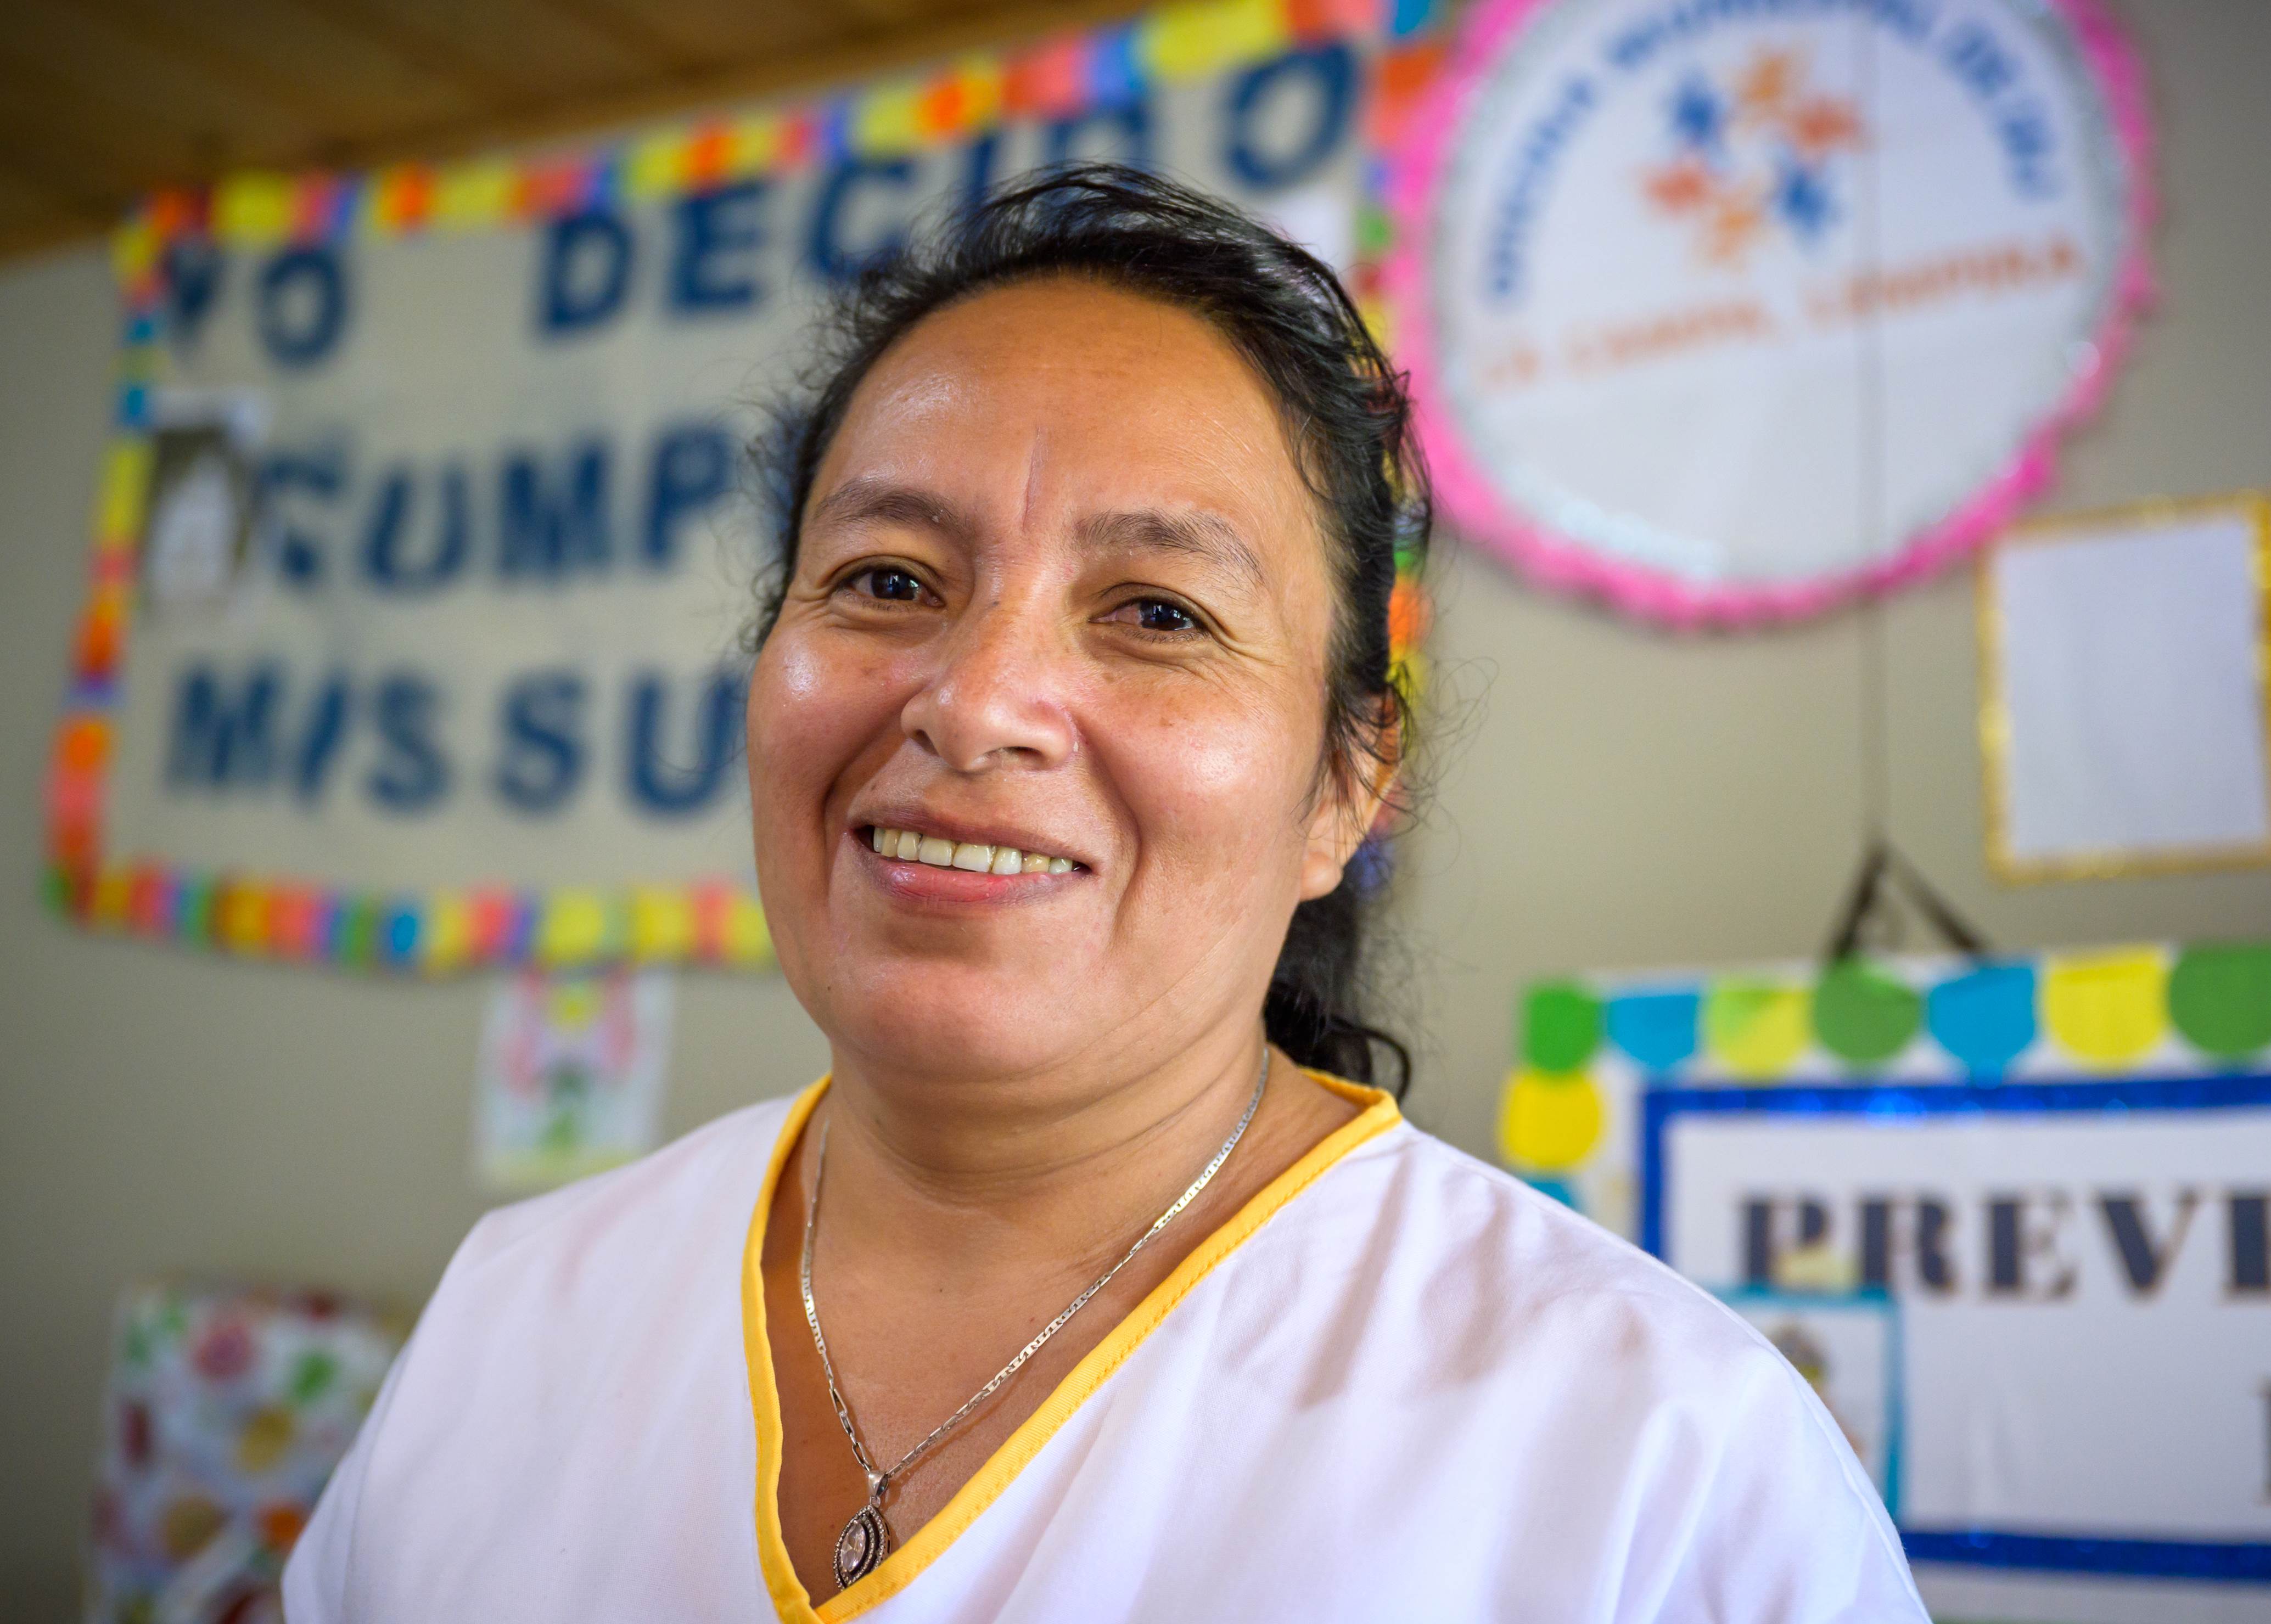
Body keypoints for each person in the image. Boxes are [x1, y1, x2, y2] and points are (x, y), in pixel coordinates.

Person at [283, 167, 1926, 1623]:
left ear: (1348, 786)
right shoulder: (518, 1310)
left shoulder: (1655, 1453)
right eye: (887, 582)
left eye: (1155, 611)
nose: (974, 700)